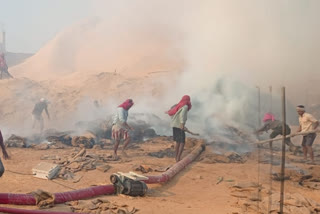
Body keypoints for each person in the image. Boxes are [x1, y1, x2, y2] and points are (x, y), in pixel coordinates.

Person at [166, 95, 192, 162]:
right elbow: (182, 115)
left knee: (177, 141)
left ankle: (176, 157)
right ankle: (178, 158)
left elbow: (172, 113)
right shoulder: (185, 106)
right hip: (179, 125)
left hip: (174, 125)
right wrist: (182, 124)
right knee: (182, 142)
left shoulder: (179, 105)